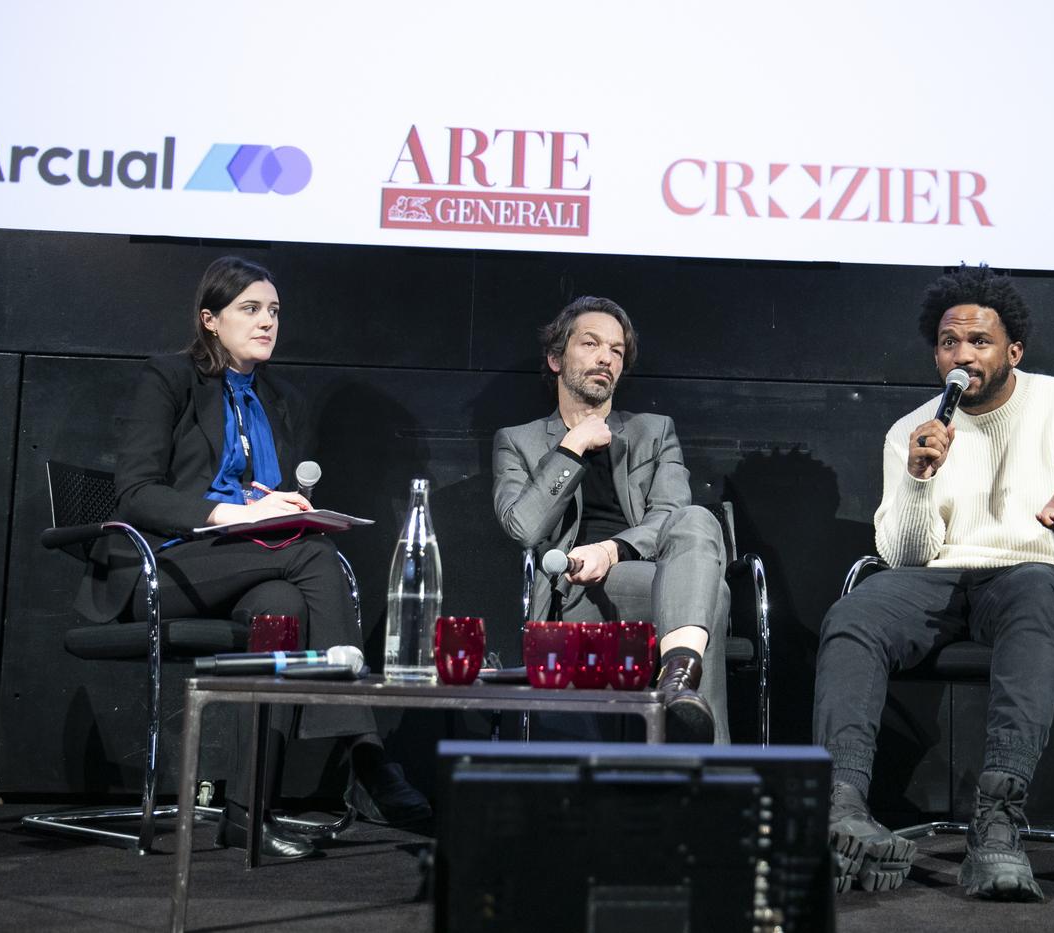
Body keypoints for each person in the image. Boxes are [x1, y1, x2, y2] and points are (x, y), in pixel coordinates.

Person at [74, 256, 429, 860]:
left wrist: (275, 503)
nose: (267, 322)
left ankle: (246, 812)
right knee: (314, 557)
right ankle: (364, 752)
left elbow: (253, 489)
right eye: (250, 309)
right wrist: (235, 513)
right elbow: (136, 492)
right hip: (163, 565)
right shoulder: (170, 378)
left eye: (274, 311)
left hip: (244, 565)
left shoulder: (276, 398)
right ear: (210, 320)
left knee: (282, 608)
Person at [813, 266, 1054, 899]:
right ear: (937, 353)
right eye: (950, 342)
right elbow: (905, 554)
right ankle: (841, 804)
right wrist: (920, 478)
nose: (964, 355)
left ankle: (999, 822)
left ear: (1013, 351)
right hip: (940, 579)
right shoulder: (912, 431)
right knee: (854, 613)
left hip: (1042, 573)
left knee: (1040, 587)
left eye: (979, 342)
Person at [492, 296, 730, 743]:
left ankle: (678, 674)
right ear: (556, 359)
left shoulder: (653, 431)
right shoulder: (518, 441)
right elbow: (523, 527)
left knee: (696, 518)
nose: (606, 357)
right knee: (712, 594)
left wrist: (612, 549)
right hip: (578, 589)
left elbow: (671, 514)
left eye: (617, 350)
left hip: (658, 570)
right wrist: (571, 447)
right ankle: (704, 772)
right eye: (591, 344)